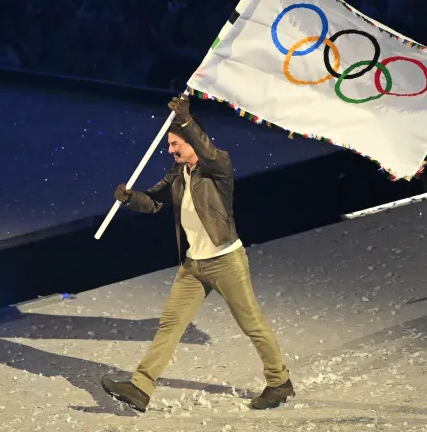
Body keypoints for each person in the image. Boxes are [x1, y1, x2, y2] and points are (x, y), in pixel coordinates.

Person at [102, 95, 294, 413]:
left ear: (193, 140)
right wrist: (130, 198)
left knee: (252, 323)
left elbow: (209, 152)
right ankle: (140, 387)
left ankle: (279, 382)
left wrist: (187, 121)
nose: (170, 150)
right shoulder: (178, 175)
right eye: (170, 145)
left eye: (175, 143)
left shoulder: (218, 168)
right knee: (170, 324)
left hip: (226, 261)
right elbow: (153, 201)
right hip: (193, 265)